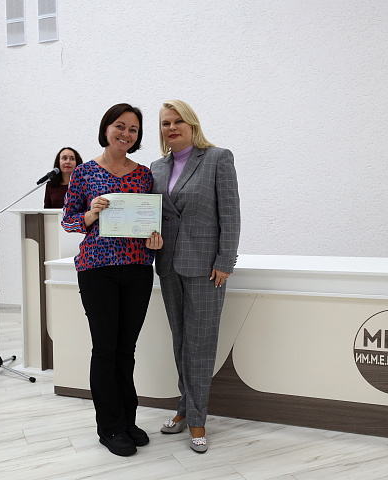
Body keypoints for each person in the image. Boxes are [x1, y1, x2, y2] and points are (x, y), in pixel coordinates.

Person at [62, 103, 163, 457]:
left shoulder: (145, 175)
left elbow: (150, 219)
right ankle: (109, 427)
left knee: (126, 350)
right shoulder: (84, 172)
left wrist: (155, 239)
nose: (126, 133)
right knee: (105, 349)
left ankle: (127, 421)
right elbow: (69, 220)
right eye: (120, 126)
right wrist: (91, 214)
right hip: (97, 270)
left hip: (137, 269)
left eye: (133, 129)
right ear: (106, 129)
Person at [150, 100, 240, 453]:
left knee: (200, 344)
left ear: (192, 124)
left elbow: (230, 214)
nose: (171, 128)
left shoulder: (217, 159)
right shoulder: (157, 168)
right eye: (165, 123)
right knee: (180, 341)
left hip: (206, 268)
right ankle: (184, 409)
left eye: (178, 121)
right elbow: (155, 216)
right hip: (168, 264)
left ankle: (198, 418)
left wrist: (225, 260)